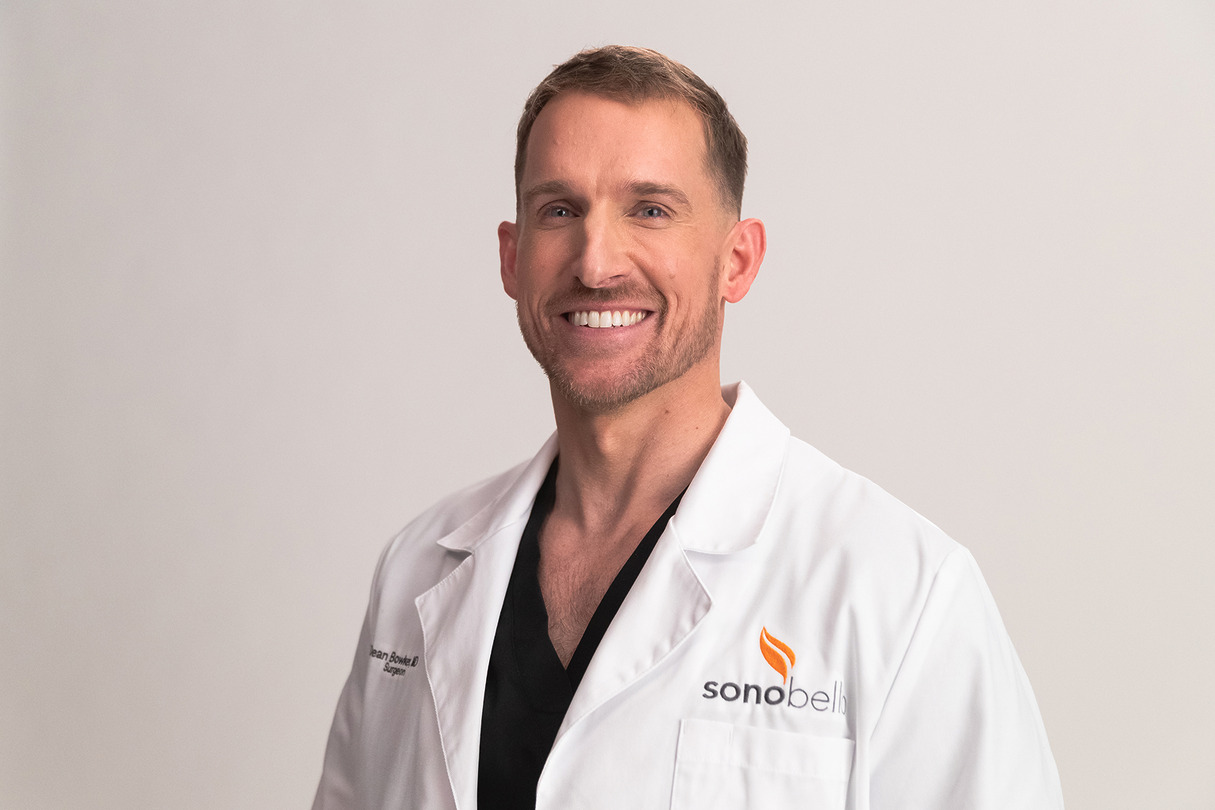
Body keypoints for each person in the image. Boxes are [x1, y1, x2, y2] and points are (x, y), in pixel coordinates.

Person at [312, 45, 1063, 809]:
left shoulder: (901, 590)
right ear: (512, 258)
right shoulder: (417, 566)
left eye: (650, 210)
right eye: (559, 210)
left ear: (736, 261)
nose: (596, 264)